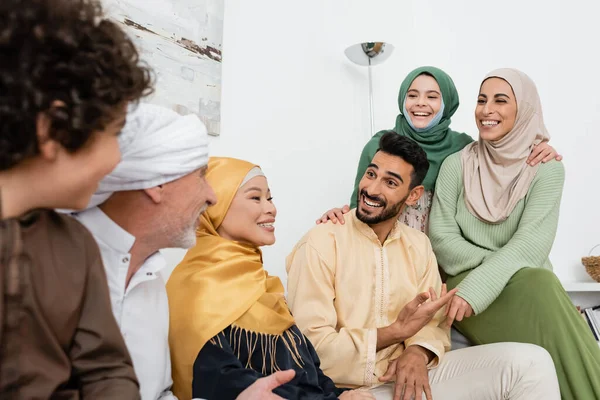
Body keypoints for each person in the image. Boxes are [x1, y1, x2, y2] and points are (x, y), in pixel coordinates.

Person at [286, 132, 560, 400]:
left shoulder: (418, 245)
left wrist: (418, 351)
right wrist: (395, 333)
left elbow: (434, 322)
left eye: (390, 183)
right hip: (347, 389)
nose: (372, 189)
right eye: (371, 174)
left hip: (413, 376)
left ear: (413, 195)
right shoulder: (321, 242)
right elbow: (310, 347)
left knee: (530, 363)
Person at [0, 0, 153, 397]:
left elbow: (107, 369)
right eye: (114, 133)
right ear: (53, 130)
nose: (118, 158)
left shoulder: (75, 244)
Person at [428, 68, 600, 400]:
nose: (486, 110)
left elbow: (530, 245)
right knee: (540, 283)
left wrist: (492, 276)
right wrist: (484, 280)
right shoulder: (456, 165)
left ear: (524, 110)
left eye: (500, 101)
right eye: (481, 100)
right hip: (463, 292)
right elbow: (443, 241)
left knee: (539, 284)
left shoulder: (547, 168)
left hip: (520, 283)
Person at [167, 157, 376, 400]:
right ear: (215, 205)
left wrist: (340, 395)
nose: (271, 209)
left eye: (270, 198)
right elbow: (227, 383)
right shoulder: (196, 288)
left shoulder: (261, 284)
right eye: (255, 198)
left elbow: (308, 372)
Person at [70, 103, 215, 399]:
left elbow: (156, 395)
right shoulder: (46, 261)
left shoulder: (151, 276)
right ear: (157, 183)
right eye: (202, 176)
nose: (211, 196)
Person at [316, 66, 560, 232]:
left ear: (447, 104)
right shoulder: (380, 146)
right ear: (403, 100)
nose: (420, 103)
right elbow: (361, 204)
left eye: (432, 97)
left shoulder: (463, 148)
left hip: (445, 255)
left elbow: (503, 153)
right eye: (412, 95)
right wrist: (340, 215)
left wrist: (538, 145)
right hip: (385, 249)